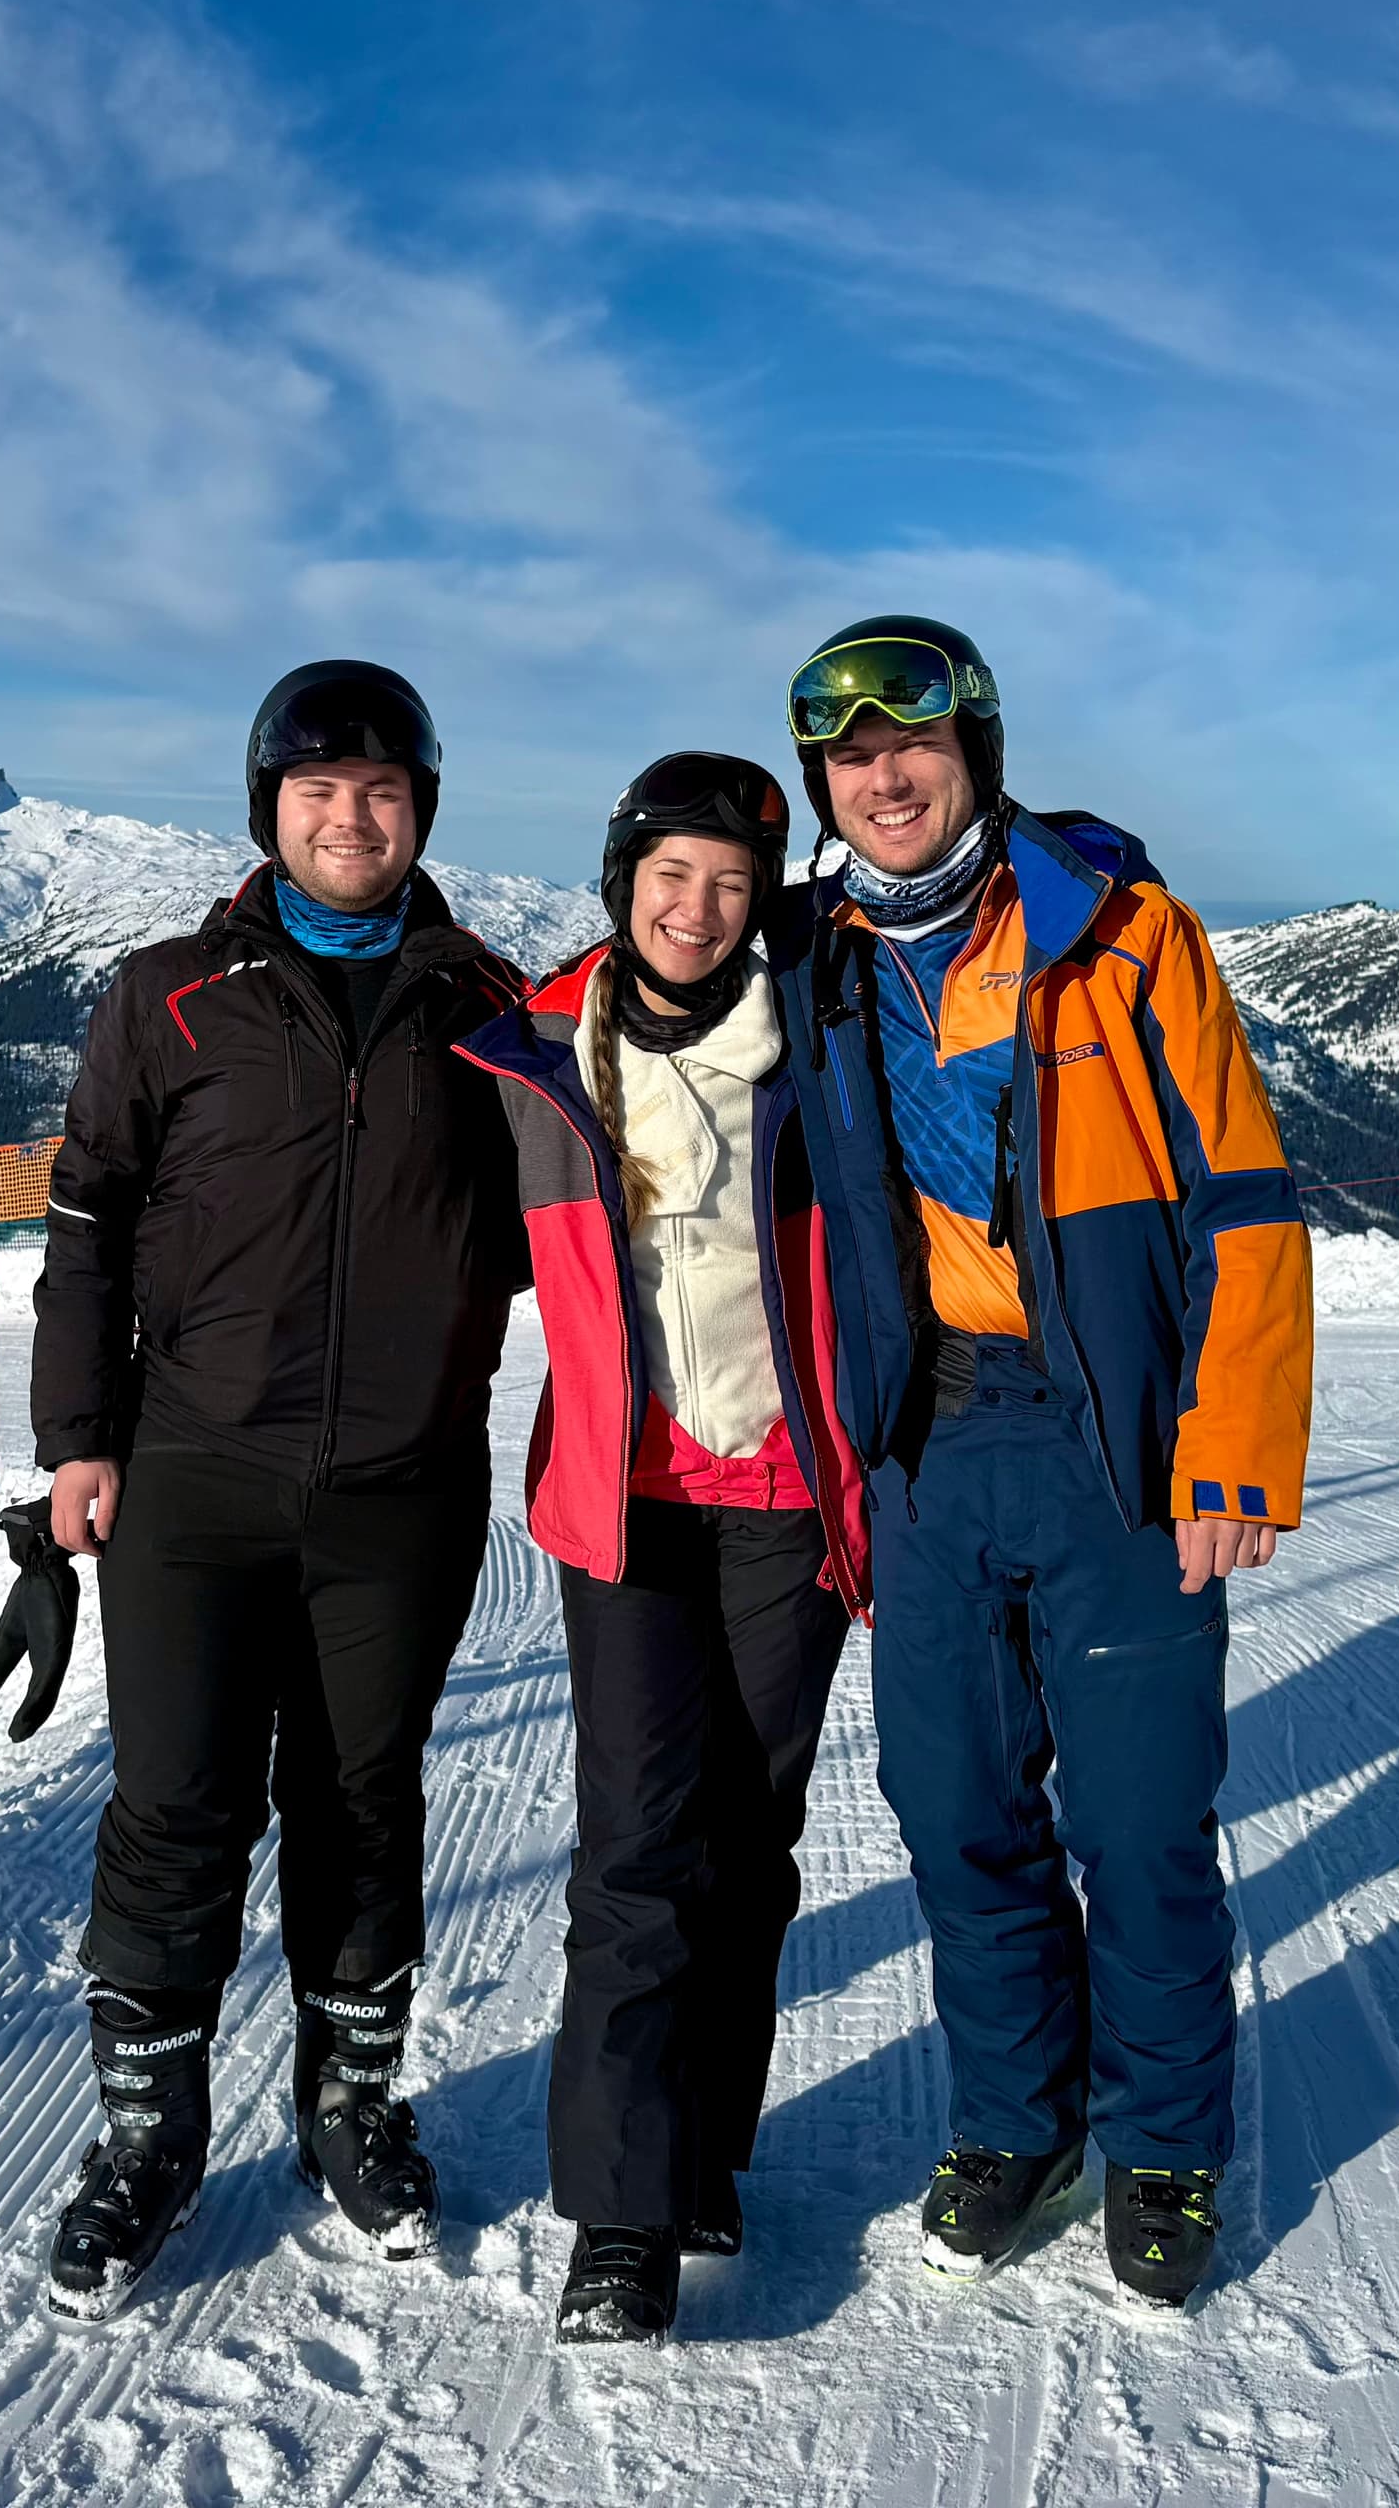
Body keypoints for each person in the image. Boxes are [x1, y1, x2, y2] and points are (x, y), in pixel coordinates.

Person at [768, 614, 1310, 2307]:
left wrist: (1232, 1447)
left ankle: (1163, 2145)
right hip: (930, 1448)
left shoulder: (1123, 932)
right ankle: (1022, 2119)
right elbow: (623, 1002)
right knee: (957, 1817)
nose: (880, 773)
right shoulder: (820, 956)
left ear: (975, 751)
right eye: (847, 757)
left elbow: (1243, 1194)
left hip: (1111, 1444)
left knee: (1140, 1822)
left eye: (908, 743)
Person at [20, 659, 529, 2322]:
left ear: (421, 813)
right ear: (270, 810)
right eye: (318, 789)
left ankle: (348, 2106)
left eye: (383, 789)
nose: (351, 815)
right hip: (195, 1478)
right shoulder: (167, 997)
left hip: (400, 1489)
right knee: (176, 1808)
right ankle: (150, 2139)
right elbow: (89, 1221)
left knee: (364, 1802)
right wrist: (74, 1444)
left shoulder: (490, 1007)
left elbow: (583, 1240)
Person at [455, 752, 868, 2345]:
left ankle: (705, 2157)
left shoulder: (824, 1047)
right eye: (668, 875)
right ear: (622, 879)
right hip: (622, 1501)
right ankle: (620, 2214)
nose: (695, 910)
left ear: (765, 898)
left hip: (784, 1495)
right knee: (636, 1846)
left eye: (730, 882)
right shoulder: (538, 1054)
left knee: (751, 1840)